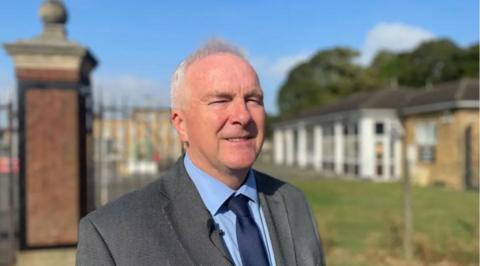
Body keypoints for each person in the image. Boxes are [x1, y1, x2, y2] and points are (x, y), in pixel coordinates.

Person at [76, 39, 325, 266]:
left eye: (253, 99)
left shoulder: (293, 202)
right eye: (220, 100)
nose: (243, 116)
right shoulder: (112, 235)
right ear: (181, 124)